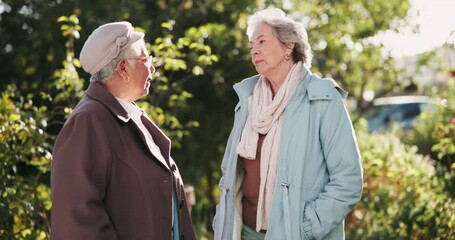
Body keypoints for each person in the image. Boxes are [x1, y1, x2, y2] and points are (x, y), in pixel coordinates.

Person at [213, 8, 363, 240]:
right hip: (243, 232)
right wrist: (221, 220)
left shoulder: (322, 98)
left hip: (295, 233)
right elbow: (230, 172)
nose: (254, 50)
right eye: (251, 45)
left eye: (262, 41)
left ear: (289, 45)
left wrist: (305, 229)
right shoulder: (248, 99)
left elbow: (348, 180)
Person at [51, 21, 196, 240]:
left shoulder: (130, 114)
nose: (152, 67)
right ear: (123, 68)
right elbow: (78, 221)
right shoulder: (87, 122)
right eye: (145, 59)